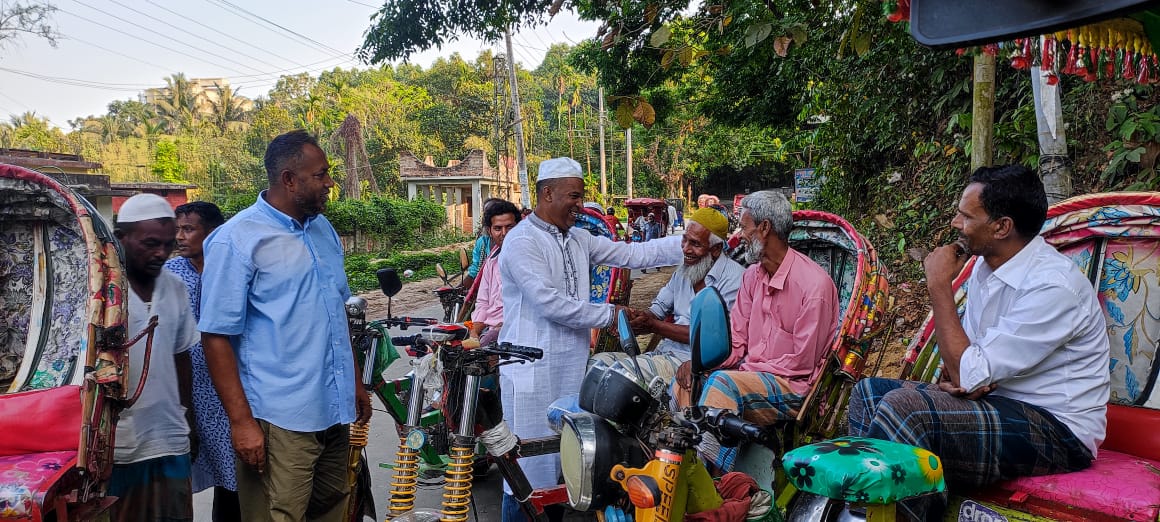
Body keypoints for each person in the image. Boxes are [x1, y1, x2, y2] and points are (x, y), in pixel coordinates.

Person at [847, 165, 1109, 521]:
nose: (956, 223)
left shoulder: (1053, 286)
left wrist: (939, 286)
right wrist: (965, 378)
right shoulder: (987, 268)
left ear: (1002, 227)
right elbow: (966, 371)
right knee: (868, 393)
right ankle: (873, 512)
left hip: (1058, 430)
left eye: (966, 216)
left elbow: (968, 371)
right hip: (997, 403)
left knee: (905, 409)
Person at [497, 157, 683, 521]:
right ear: (546, 194)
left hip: (569, 368)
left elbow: (632, 254)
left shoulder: (578, 239)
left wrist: (687, 243)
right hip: (530, 372)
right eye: (573, 197)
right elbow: (549, 303)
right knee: (525, 476)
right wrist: (611, 315)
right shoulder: (521, 241)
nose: (579, 206)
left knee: (563, 468)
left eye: (581, 198)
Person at [199, 130, 371, 522]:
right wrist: (242, 423)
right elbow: (216, 336)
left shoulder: (322, 230)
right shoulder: (237, 240)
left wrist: (355, 382)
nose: (330, 183)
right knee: (279, 515)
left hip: (332, 410)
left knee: (332, 509)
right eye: (321, 175)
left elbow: (337, 313)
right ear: (289, 180)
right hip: (279, 418)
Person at [672, 190, 838, 473]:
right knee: (686, 381)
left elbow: (802, 363)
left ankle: (707, 474)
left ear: (764, 228)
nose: (741, 233)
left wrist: (742, 372)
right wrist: (699, 364)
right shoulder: (752, 276)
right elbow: (736, 341)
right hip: (749, 377)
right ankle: (683, 467)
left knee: (723, 384)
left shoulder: (814, 286)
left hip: (793, 387)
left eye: (744, 226)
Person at [108, 193, 199, 522]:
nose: (161, 253)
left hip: (169, 437)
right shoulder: (100, 292)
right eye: (149, 243)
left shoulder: (175, 288)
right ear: (122, 238)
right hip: (113, 445)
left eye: (167, 244)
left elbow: (181, 357)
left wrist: (188, 419)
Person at [162, 201, 238, 522]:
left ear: (213, 232)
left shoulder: (233, 270)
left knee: (234, 473)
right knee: (182, 473)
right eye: (177, 229)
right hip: (186, 388)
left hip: (228, 388)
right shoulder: (171, 274)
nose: (180, 237)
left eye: (188, 229)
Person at [628, 207, 745, 362]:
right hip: (665, 353)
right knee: (601, 363)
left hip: (697, 363)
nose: (685, 249)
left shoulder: (735, 279)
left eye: (695, 244)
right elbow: (658, 309)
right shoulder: (683, 271)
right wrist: (636, 318)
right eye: (685, 240)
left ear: (716, 249)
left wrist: (652, 326)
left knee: (617, 375)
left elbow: (709, 336)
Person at [468, 199, 521, 346]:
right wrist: (474, 332)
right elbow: (483, 302)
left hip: (517, 330)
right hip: (491, 328)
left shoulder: (528, 258)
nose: (504, 233)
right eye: (498, 228)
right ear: (490, 231)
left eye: (509, 227)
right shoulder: (491, 261)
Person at [462, 197, 504, 291]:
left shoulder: (512, 240)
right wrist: (458, 289)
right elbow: (475, 270)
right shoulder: (483, 242)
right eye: (486, 213)